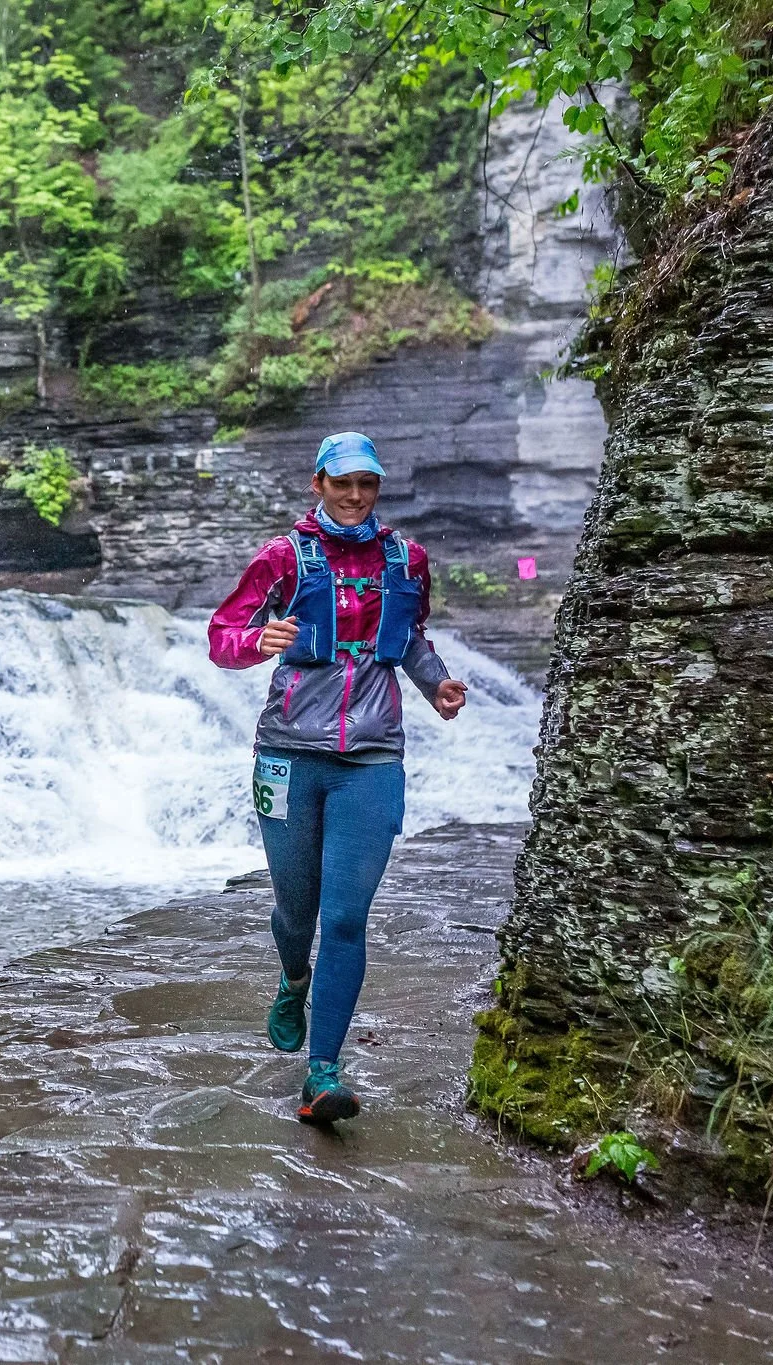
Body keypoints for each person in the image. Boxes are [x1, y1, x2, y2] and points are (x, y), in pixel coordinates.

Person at [207, 431, 468, 1124]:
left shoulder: (405, 559)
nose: (356, 495)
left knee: (347, 916)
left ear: (377, 489)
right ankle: (294, 979)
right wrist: (254, 642)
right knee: (298, 913)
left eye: (368, 484)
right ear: (318, 483)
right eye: (343, 482)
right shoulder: (281, 558)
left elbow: (410, 638)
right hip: (289, 755)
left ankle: (322, 1071)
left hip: (374, 757)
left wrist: (437, 684)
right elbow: (222, 636)